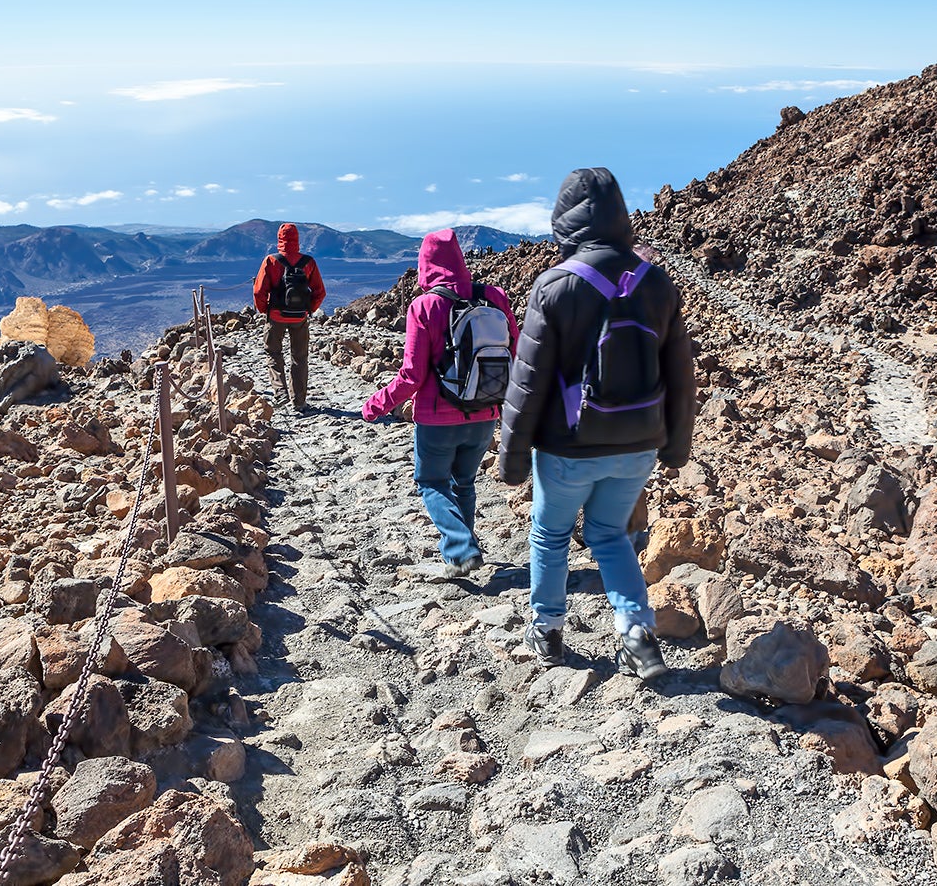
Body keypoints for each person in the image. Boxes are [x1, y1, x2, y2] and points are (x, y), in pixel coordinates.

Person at [498, 168, 696, 680]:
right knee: (610, 535)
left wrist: (513, 456)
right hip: (638, 443)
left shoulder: (554, 286)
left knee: (550, 535)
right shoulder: (657, 283)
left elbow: (528, 383)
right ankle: (636, 632)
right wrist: (676, 446)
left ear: (564, 222)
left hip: (569, 446)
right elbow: (680, 374)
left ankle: (546, 631)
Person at [362, 229, 519, 576]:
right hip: (485, 411)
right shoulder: (493, 296)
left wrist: (376, 405)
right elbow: (516, 350)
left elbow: (411, 376)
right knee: (464, 482)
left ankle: (461, 548)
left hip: (437, 419)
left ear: (425, 264)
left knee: (432, 482)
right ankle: (458, 554)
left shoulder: (425, 306)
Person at [253, 222, 326, 412]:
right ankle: (299, 401)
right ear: (297, 239)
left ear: (279, 239)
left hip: (276, 316)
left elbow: (259, 291)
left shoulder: (271, 261)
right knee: (300, 358)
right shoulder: (308, 262)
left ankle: (280, 392)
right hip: (299, 318)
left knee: (273, 353)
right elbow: (320, 292)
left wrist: (265, 311)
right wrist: (308, 309)